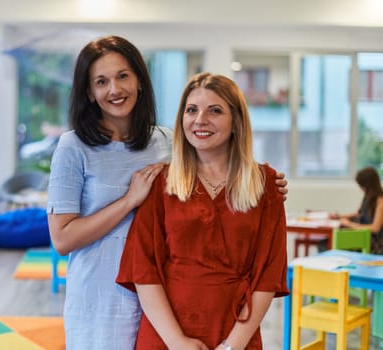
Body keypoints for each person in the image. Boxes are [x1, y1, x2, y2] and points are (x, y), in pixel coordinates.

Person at [47, 36, 288, 350]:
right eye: (101, 81)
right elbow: (62, 239)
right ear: (89, 93)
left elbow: (214, 159)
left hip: (163, 306)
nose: (114, 89)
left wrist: (266, 182)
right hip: (103, 297)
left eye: (123, 76)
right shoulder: (73, 146)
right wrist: (130, 200)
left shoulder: (166, 141)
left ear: (140, 81)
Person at [116, 72, 289, 350]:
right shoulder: (161, 183)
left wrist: (232, 345)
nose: (199, 120)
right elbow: (143, 269)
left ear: (236, 122)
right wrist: (176, 341)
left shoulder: (266, 183)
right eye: (191, 110)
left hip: (236, 331)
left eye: (215, 111)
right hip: (166, 333)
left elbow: (268, 273)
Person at [330, 166, 383, 254]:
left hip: (373, 241)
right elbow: (358, 213)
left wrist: (350, 224)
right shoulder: (368, 197)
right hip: (361, 234)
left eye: (361, 186)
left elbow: (375, 228)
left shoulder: (380, 201)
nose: (360, 188)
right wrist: (339, 217)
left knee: (339, 241)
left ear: (367, 185)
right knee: (328, 240)